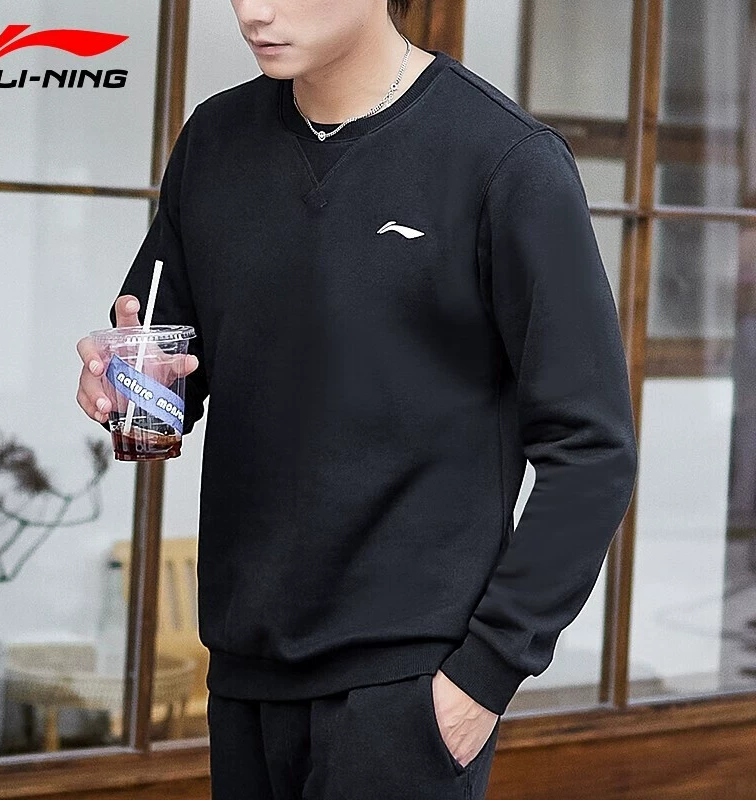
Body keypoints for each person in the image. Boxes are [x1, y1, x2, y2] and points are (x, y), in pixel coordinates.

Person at [75, 0, 639, 797]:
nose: (254, 11)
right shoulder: (215, 140)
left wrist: (484, 676)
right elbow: (174, 366)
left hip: (408, 686)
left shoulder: (504, 159)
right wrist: (126, 383)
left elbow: (594, 449)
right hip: (243, 668)